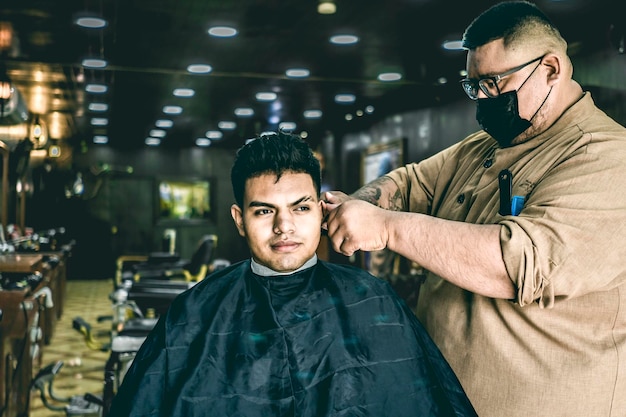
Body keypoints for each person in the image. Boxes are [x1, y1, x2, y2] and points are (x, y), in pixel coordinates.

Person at [322, 2, 626, 417]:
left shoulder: (608, 157)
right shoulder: (484, 147)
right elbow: (408, 183)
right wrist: (356, 206)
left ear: (552, 69)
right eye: (474, 86)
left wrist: (387, 228)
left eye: (494, 83)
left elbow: (515, 264)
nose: (483, 98)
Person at [107, 131, 477, 416]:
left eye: (300, 208)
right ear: (240, 220)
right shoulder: (194, 312)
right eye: (264, 211)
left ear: (320, 211)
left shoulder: (375, 301)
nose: (284, 227)